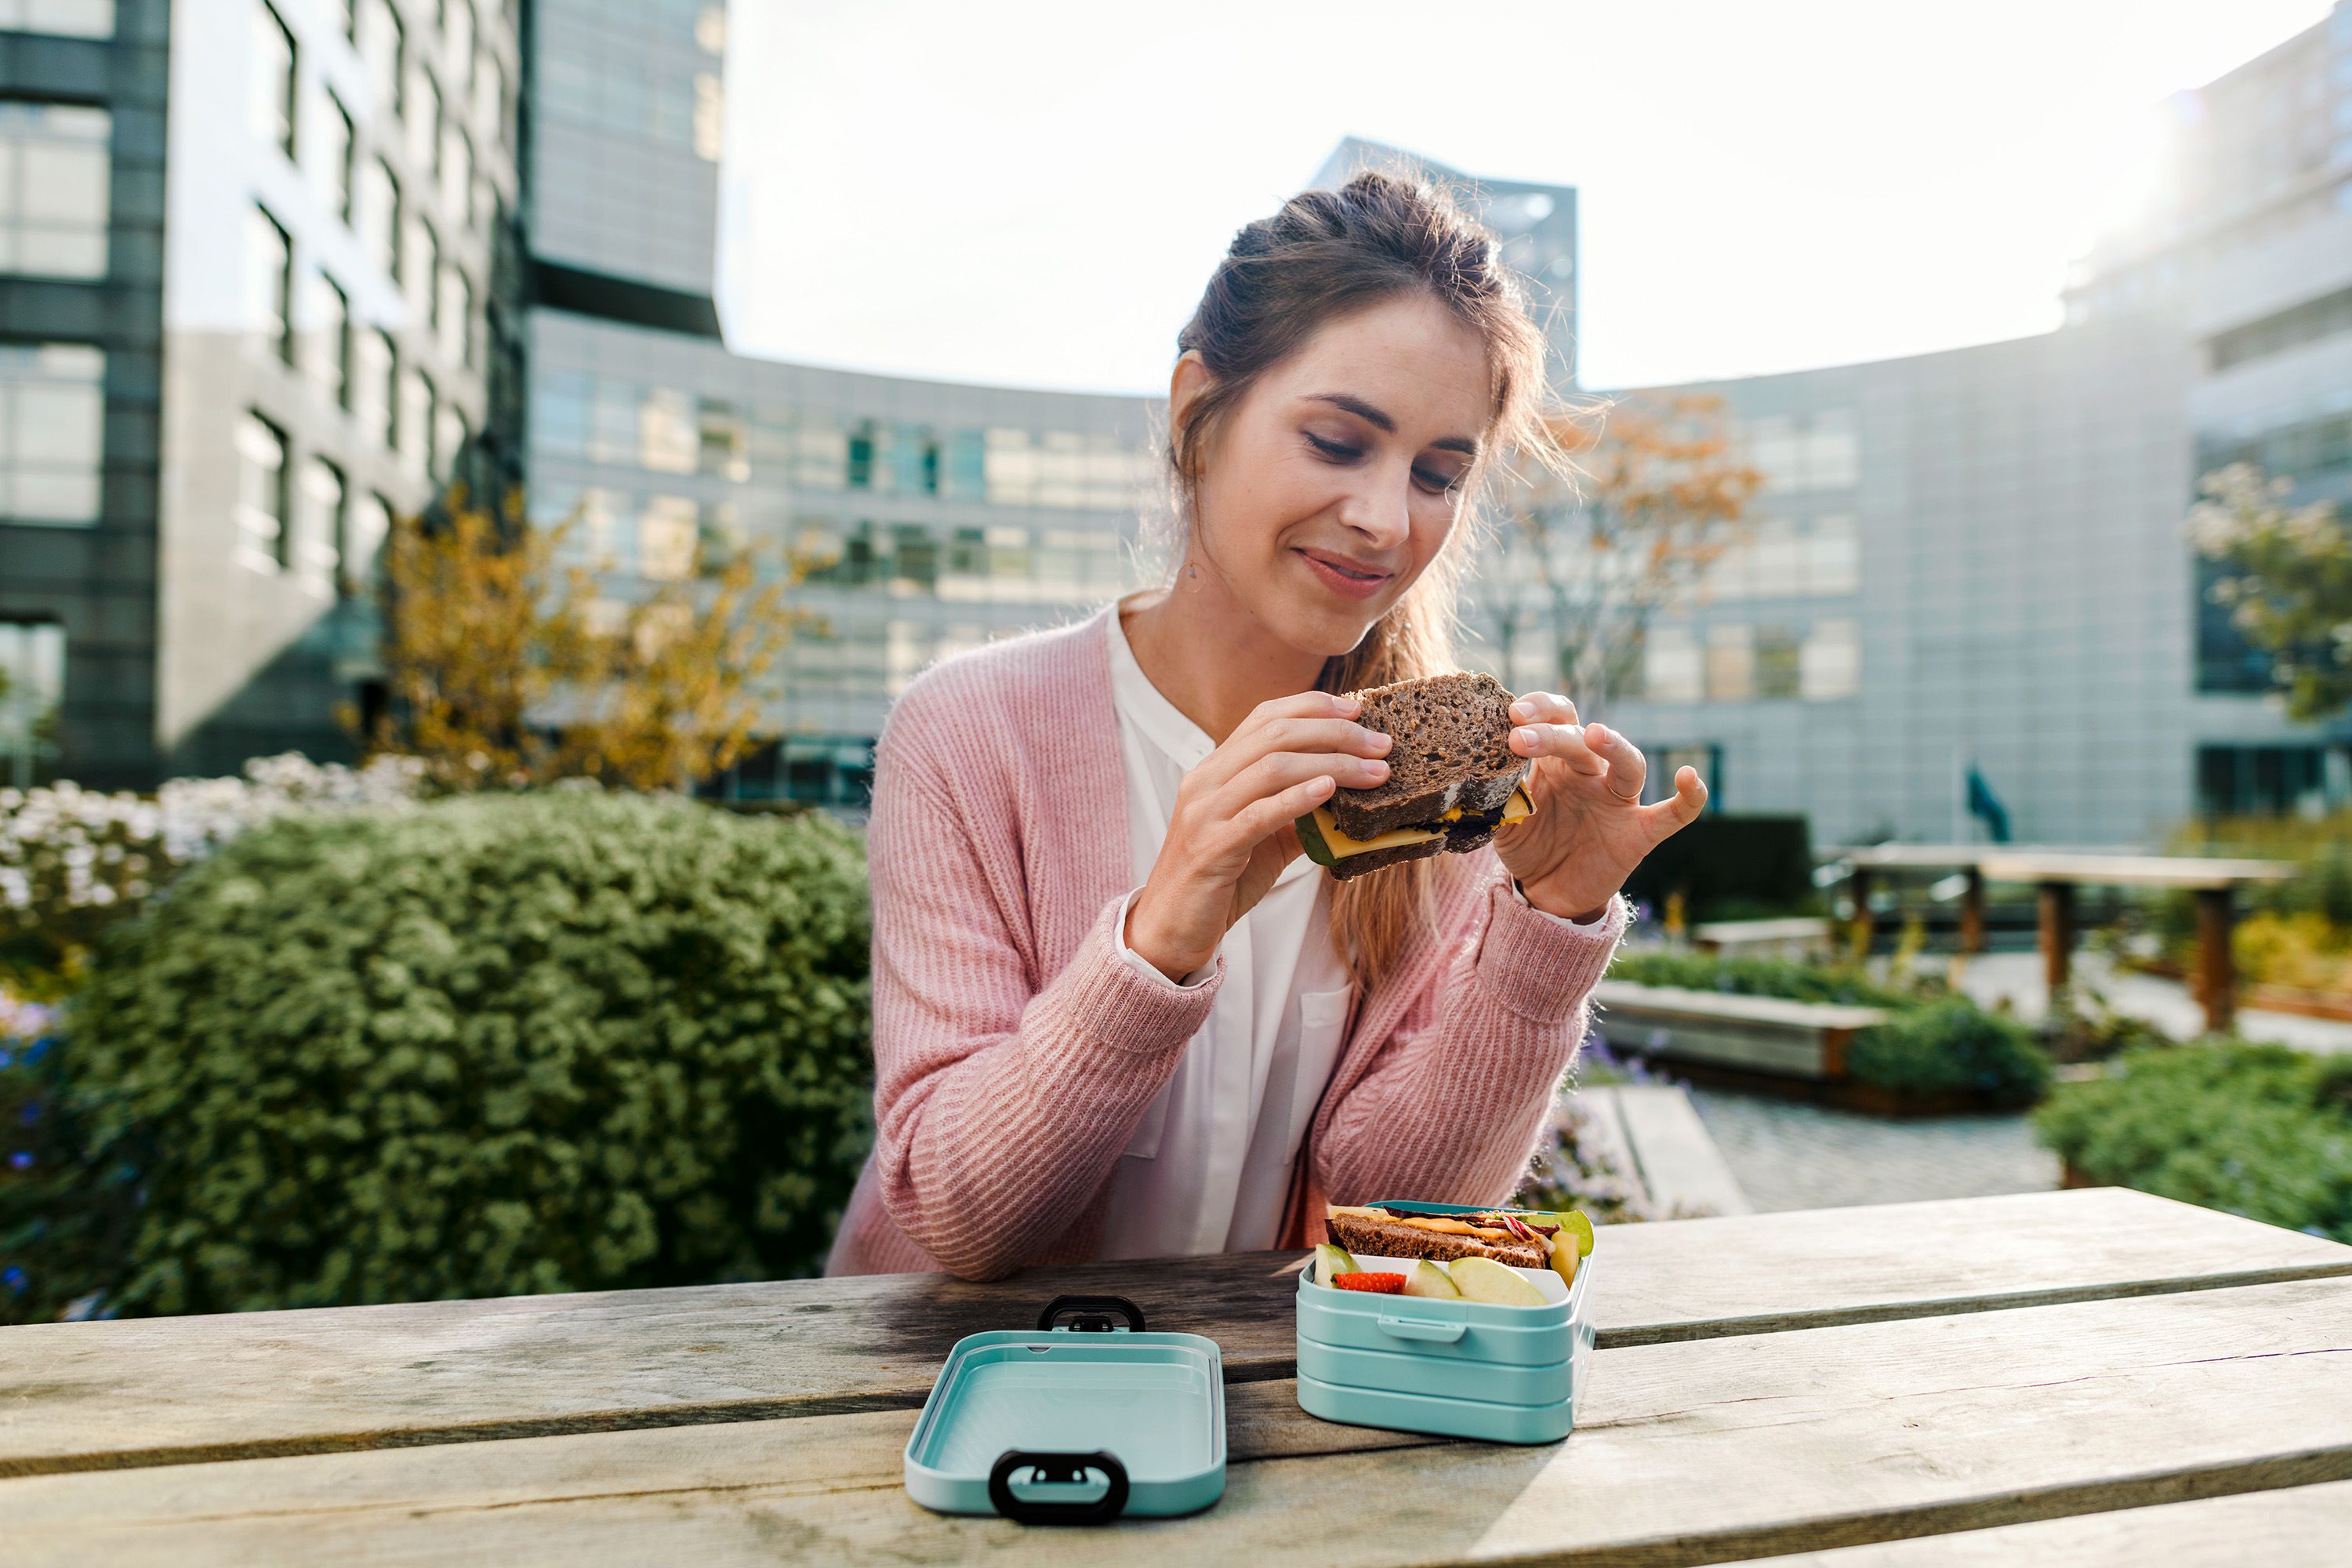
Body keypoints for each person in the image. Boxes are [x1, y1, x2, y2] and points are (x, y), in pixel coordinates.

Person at [825, 170, 1707, 1281]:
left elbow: (1402, 1201)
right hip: (944, 1399)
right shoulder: (968, 732)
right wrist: (1160, 937)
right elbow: (955, 1215)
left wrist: (1549, 921)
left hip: (1261, 1411)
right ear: (1201, 409)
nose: (1388, 520)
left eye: (1439, 473)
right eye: (1339, 443)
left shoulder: (1441, 781)